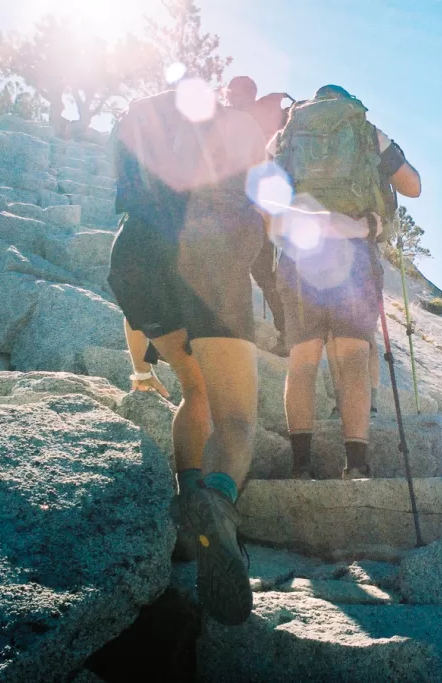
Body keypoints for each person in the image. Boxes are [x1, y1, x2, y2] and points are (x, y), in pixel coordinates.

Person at [108, 86, 266, 625]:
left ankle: (187, 520)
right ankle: (217, 503)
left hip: (132, 253)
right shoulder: (237, 128)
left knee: (194, 387)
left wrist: (139, 365)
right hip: (211, 246)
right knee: (238, 415)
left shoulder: (140, 119)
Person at [268, 84, 421, 479]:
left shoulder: (285, 136)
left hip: (300, 254)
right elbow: (413, 186)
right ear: (346, 104)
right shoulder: (368, 132)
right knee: (352, 358)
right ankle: (355, 465)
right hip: (353, 249)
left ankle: (301, 464)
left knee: (302, 361)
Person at [226, 76, 292, 355]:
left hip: (229, 208)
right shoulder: (267, 118)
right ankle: (287, 335)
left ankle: (228, 332)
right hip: (259, 208)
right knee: (265, 273)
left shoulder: (226, 119)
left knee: (232, 270)